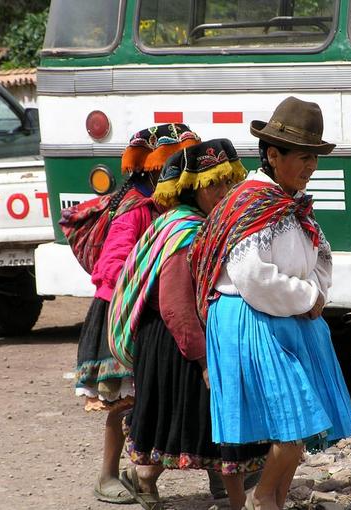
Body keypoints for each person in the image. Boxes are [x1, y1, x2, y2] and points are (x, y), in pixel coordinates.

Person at [190, 97, 351, 510]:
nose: (309, 167)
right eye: (302, 157)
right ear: (272, 154)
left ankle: (273, 501)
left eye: (313, 158)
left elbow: (321, 254)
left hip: (291, 319)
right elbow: (251, 276)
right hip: (254, 319)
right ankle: (261, 495)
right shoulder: (252, 203)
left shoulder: (290, 204)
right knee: (294, 426)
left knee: (299, 429)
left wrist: (316, 292)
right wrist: (308, 297)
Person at [108, 139, 267, 510]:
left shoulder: (194, 222)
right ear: (191, 188)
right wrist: (202, 359)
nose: (223, 192)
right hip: (175, 340)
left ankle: (211, 485)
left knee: (191, 421)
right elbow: (176, 305)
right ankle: (149, 480)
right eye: (213, 184)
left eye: (228, 182)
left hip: (180, 336)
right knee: (186, 418)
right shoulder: (187, 232)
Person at [73, 123, 200, 504]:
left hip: (158, 314)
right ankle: (108, 475)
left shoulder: (176, 208)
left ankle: (200, 472)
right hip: (122, 313)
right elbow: (113, 267)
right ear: (151, 171)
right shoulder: (135, 212)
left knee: (173, 393)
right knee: (124, 404)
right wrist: (143, 279)